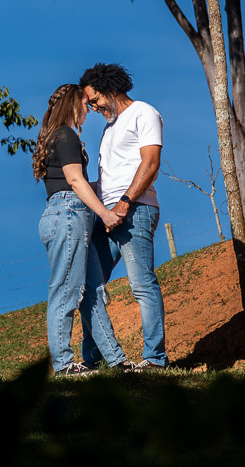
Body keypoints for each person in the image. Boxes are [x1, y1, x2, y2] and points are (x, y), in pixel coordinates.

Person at [34, 83, 132, 376]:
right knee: (66, 290)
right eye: (85, 104)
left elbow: (75, 183)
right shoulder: (65, 135)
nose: (88, 110)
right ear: (72, 104)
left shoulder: (56, 136)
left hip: (66, 212)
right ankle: (64, 364)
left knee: (93, 290)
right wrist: (105, 213)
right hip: (69, 214)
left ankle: (116, 361)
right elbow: (74, 182)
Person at [79, 63, 167, 370]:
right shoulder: (109, 127)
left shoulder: (144, 113)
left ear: (109, 89)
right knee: (90, 284)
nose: (93, 107)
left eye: (95, 100)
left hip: (135, 210)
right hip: (107, 216)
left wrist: (125, 203)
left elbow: (151, 162)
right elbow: (108, 179)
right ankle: (92, 358)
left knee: (142, 284)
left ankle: (155, 359)